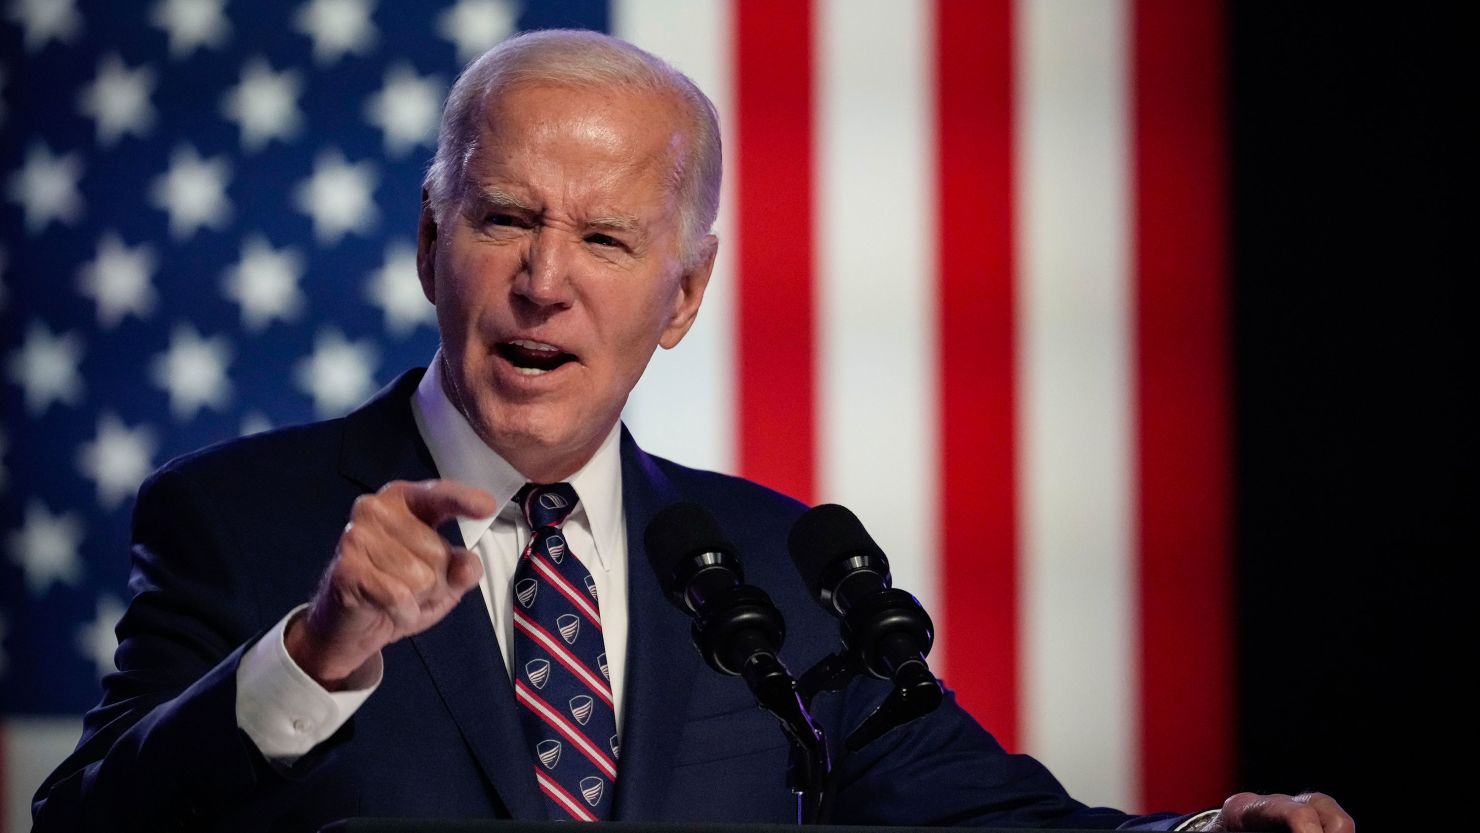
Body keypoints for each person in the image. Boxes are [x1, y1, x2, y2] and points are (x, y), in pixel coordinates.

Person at [32, 29, 1352, 833]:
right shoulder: (234, 517)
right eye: (504, 219)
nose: (545, 279)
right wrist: (319, 649)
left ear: (683, 294)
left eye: (605, 238)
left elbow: (979, 813)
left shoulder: (776, 566)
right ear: (434, 240)